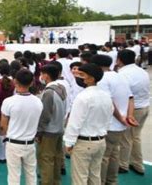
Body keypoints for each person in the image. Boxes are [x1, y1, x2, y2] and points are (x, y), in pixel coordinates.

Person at [63, 63, 114, 185]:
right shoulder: (106, 95)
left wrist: (69, 142)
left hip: (84, 142)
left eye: (82, 75)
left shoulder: (83, 97)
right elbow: (109, 118)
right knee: (95, 175)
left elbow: (75, 122)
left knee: (80, 178)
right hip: (100, 141)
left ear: (91, 78)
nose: (78, 77)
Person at [91, 54, 138, 184]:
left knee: (103, 157)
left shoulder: (102, 79)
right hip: (119, 125)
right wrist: (129, 116)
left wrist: (121, 118)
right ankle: (112, 181)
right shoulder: (119, 76)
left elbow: (109, 102)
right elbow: (130, 97)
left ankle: (101, 181)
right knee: (114, 154)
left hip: (109, 124)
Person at [0, 69, 43, 185]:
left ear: (15, 81)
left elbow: (3, 126)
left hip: (13, 143)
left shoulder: (8, 102)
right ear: (31, 83)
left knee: (14, 176)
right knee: (31, 174)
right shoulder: (38, 102)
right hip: (29, 143)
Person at [116, 49, 150, 175]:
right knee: (135, 137)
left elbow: (125, 94)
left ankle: (123, 164)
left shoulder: (123, 74)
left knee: (125, 139)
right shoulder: (141, 70)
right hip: (144, 107)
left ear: (119, 59)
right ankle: (138, 165)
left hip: (133, 109)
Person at [36, 64, 67, 185]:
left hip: (49, 131)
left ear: (46, 76)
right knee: (56, 157)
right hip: (59, 128)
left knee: (46, 159)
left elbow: (45, 115)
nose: (41, 76)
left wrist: (39, 132)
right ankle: (56, 181)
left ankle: (46, 182)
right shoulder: (61, 88)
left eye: (42, 74)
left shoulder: (49, 92)